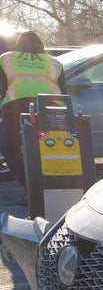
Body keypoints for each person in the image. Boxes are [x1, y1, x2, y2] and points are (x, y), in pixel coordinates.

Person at [0, 31, 67, 185]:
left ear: (18, 43)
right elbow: (64, 92)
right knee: (51, 149)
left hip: (16, 108)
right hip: (51, 110)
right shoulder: (54, 62)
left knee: (10, 147)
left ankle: (31, 189)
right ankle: (53, 187)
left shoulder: (6, 59)